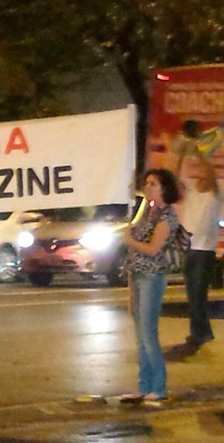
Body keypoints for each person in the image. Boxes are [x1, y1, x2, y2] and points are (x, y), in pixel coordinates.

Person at [122, 168, 180, 403]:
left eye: (153, 184)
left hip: (152, 277)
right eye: (146, 183)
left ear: (165, 188)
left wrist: (130, 241)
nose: (148, 188)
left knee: (148, 333)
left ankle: (158, 385)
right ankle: (144, 385)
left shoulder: (166, 216)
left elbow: (154, 249)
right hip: (137, 275)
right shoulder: (147, 210)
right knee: (140, 334)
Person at [178, 156, 220, 348]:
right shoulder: (191, 192)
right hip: (190, 248)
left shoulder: (214, 193)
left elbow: (211, 179)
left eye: (203, 172)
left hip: (204, 251)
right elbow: (178, 175)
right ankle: (202, 332)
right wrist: (181, 154)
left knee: (197, 293)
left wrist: (202, 159)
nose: (199, 175)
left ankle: (199, 333)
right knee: (193, 294)